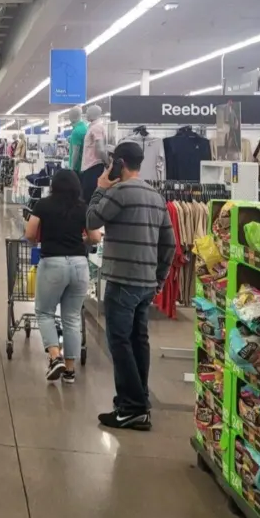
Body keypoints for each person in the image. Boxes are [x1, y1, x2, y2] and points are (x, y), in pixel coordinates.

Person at [87, 142, 176, 431]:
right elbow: (169, 245)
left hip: (122, 280)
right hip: (146, 283)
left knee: (120, 342)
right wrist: (159, 279)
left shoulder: (118, 192)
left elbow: (91, 221)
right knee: (139, 341)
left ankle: (131, 407)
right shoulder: (155, 195)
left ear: (119, 163)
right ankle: (140, 401)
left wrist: (100, 187)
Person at [24, 170, 101, 383]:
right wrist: (82, 240)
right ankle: (69, 370)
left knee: (45, 312)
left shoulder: (43, 205)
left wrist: (38, 243)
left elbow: (30, 234)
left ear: (53, 185)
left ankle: (55, 356)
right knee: (72, 317)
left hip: (53, 263)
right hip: (79, 264)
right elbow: (94, 238)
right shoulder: (83, 208)